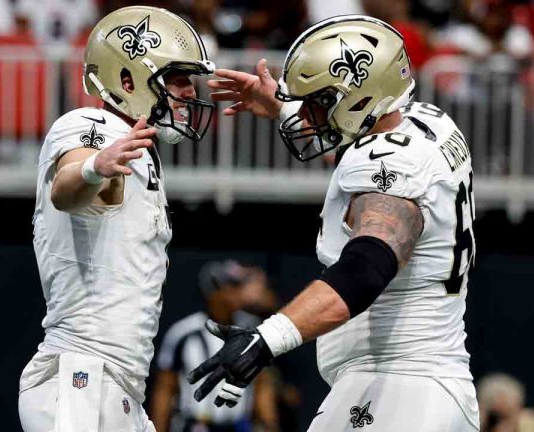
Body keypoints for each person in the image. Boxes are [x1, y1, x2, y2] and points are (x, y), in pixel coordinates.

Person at [189, 15, 480, 431]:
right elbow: (360, 141)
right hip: (411, 385)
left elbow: (367, 266)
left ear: (359, 97)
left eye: (318, 102)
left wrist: (267, 340)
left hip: (400, 386)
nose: (308, 114)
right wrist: (284, 107)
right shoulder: (426, 121)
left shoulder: (393, 168)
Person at [17, 6, 216, 432]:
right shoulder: (92, 123)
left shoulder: (139, 149)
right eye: (176, 78)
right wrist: (94, 169)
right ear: (128, 81)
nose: (187, 91)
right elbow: (68, 188)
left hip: (116, 384)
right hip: (80, 377)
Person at [151, 261, 278, 432]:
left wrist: (269, 424)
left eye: (238, 286)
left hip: (238, 427)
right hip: (195, 426)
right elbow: (165, 389)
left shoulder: (253, 331)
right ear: (212, 292)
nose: (237, 292)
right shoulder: (183, 333)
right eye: (230, 286)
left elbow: (263, 384)